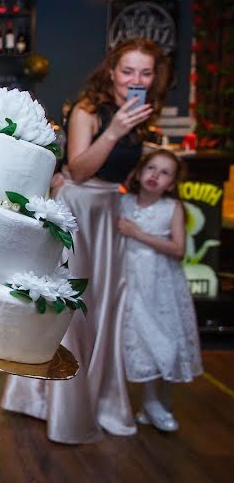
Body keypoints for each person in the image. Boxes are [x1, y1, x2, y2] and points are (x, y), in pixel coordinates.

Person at [1, 37, 170, 444]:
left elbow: (119, 173)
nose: (136, 79)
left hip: (110, 213)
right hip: (80, 211)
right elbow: (77, 169)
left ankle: (101, 399)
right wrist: (114, 131)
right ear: (111, 70)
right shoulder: (88, 111)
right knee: (71, 309)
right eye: (128, 70)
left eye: (145, 73)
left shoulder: (143, 112)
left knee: (105, 307)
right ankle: (53, 402)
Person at [118, 149, 203, 432]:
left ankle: (158, 404)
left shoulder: (172, 208)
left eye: (165, 172)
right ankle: (147, 402)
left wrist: (139, 234)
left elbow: (178, 249)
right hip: (129, 279)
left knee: (165, 342)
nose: (155, 175)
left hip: (160, 283)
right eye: (151, 168)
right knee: (140, 340)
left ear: (172, 182)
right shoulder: (123, 202)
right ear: (140, 171)